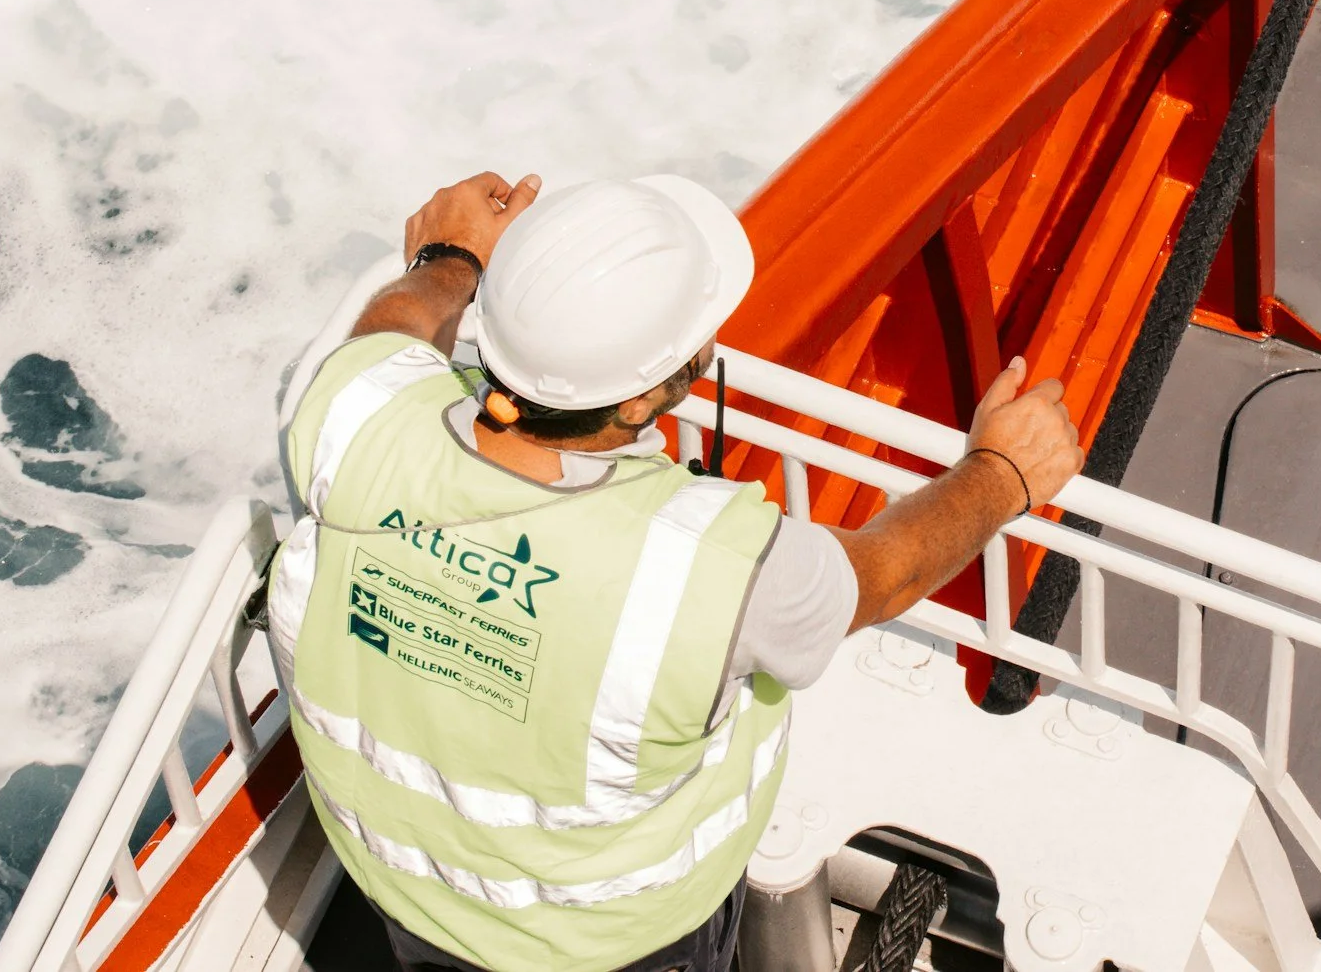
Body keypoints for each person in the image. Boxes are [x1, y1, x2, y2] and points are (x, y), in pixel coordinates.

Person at [265, 171, 1083, 972]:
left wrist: (450, 258)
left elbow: (393, 331)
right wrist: (1004, 473)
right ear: (638, 403)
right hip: (619, 947)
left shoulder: (356, 412)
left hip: (405, 899)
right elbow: (883, 574)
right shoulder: (715, 566)